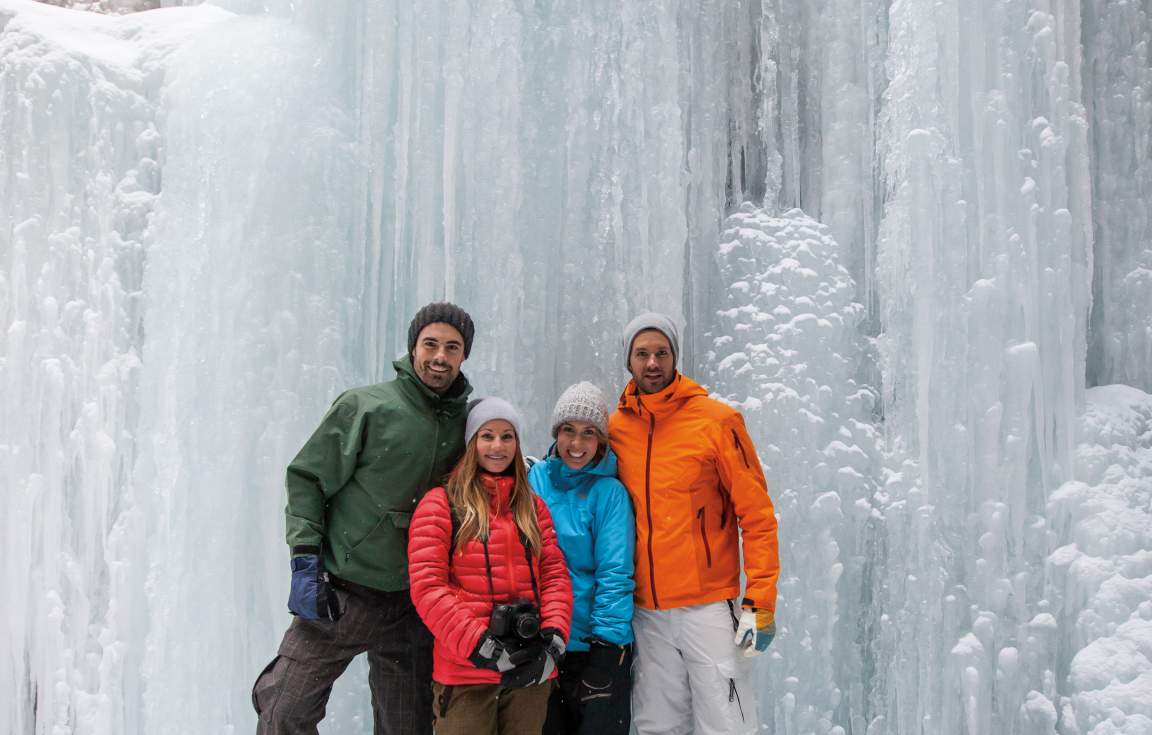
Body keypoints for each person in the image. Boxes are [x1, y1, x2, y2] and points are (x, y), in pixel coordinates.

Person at [251, 302, 476, 735]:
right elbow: (308, 479)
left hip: (415, 604)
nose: (439, 357)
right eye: (430, 344)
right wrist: (305, 561)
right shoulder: (365, 407)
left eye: (453, 347)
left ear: (464, 355)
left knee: (408, 727)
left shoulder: (467, 424)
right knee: (284, 709)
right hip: (342, 593)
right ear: (412, 348)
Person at [609, 312, 780, 735]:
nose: (652, 364)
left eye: (661, 353)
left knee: (727, 723)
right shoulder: (615, 428)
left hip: (708, 605)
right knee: (656, 725)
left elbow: (757, 516)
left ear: (675, 357)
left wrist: (759, 602)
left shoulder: (716, 421)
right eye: (642, 354)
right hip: (647, 611)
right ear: (628, 361)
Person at [408, 397, 573, 735]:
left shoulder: (532, 507)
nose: (497, 446)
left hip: (529, 668)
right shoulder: (441, 504)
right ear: (472, 442)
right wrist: (479, 646)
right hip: (465, 673)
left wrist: (554, 640)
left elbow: (554, 576)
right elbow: (427, 587)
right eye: (487, 435)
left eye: (507, 436)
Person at [529, 382, 636, 735]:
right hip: (544, 644)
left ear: (601, 441)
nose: (577, 444)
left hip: (594, 646)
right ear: (556, 433)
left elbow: (615, 574)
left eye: (588, 433)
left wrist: (605, 651)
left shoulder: (609, 493)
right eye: (568, 431)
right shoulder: (536, 479)